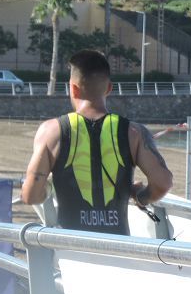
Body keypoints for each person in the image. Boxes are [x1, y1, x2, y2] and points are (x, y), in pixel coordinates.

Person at [22, 49, 173, 233]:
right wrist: (139, 196)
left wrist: (51, 185)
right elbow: (163, 183)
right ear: (109, 88)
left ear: (73, 89)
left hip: (70, 247)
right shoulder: (133, 132)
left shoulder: (51, 131)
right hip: (116, 246)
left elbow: (31, 195)